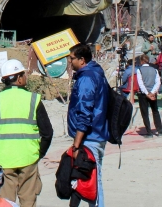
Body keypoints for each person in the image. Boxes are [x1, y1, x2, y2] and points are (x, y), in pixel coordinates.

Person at [0, 60, 52, 207]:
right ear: (19, 78)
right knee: (28, 201)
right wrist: (39, 153)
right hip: (29, 158)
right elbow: (48, 133)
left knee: (6, 202)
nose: (25, 77)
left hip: (4, 160)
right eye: (24, 74)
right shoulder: (34, 99)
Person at [66, 43, 108, 207]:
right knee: (86, 180)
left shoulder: (87, 78)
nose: (70, 62)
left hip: (90, 137)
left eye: (72, 59)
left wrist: (76, 144)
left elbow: (85, 111)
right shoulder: (95, 73)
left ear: (81, 60)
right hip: (94, 135)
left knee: (93, 182)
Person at [130, 58, 162, 137]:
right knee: (155, 111)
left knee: (145, 113)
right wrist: (152, 92)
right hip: (153, 93)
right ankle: (160, 131)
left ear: (141, 61)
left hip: (143, 94)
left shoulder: (139, 70)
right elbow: (158, 82)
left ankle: (149, 132)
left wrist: (147, 93)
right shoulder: (154, 70)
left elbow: (140, 83)